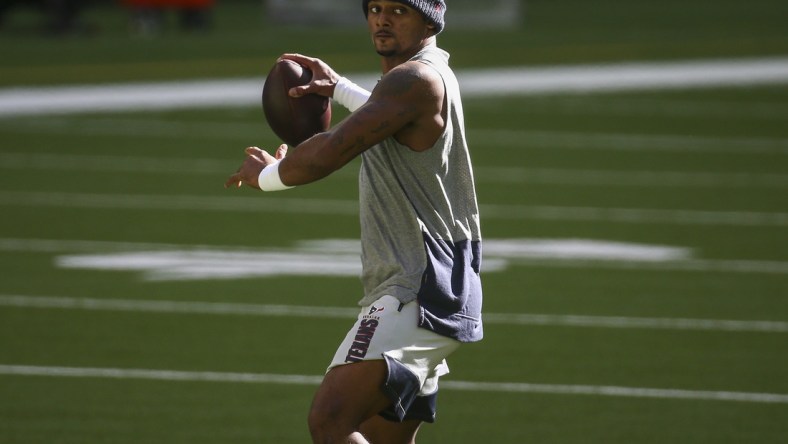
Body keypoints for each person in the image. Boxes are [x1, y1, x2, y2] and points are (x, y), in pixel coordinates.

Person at [225, 1, 483, 442]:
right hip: (434, 283)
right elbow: (386, 118)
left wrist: (267, 177)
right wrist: (340, 88)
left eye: (399, 9)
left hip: (416, 287)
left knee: (330, 421)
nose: (382, 19)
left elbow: (330, 152)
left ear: (430, 18)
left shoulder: (414, 80)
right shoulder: (423, 78)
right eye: (375, 7)